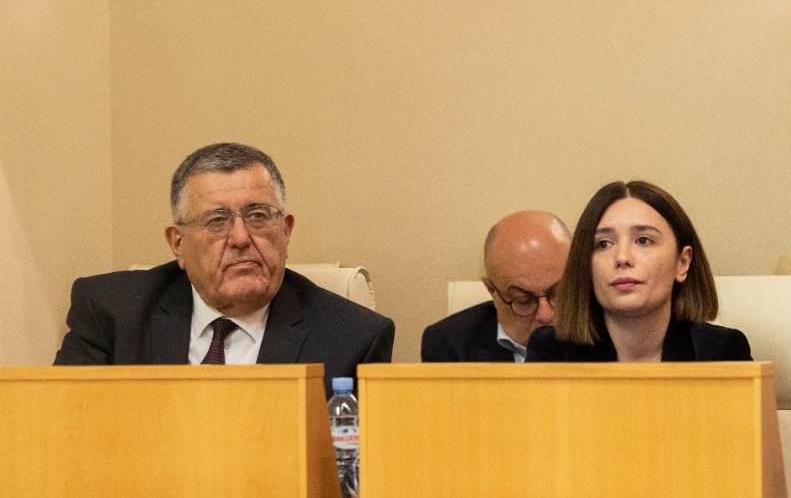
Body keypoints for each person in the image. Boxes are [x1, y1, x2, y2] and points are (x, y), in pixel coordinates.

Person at [54, 142, 393, 393]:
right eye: (217, 221)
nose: (241, 238)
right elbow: (65, 428)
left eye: (258, 216)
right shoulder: (111, 313)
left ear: (286, 231)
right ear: (178, 243)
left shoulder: (353, 338)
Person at [525, 180, 750, 363]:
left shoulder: (722, 351)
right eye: (603, 244)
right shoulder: (552, 351)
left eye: (643, 240)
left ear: (682, 263)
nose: (622, 257)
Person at [420, 211, 571, 363]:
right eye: (524, 300)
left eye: (558, 293)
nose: (546, 315)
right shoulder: (448, 345)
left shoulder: (587, 334)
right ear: (491, 290)